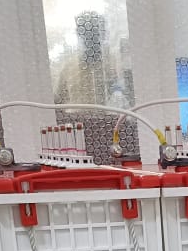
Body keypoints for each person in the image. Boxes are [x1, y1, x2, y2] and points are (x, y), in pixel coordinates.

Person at [53, 12, 135, 161]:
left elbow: (128, 100)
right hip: (77, 134)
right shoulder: (70, 67)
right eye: (86, 33)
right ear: (80, 34)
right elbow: (57, 104)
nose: (90, 38)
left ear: (102, 34)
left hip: (108, 131)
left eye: (95, 33)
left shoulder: (113, 64)